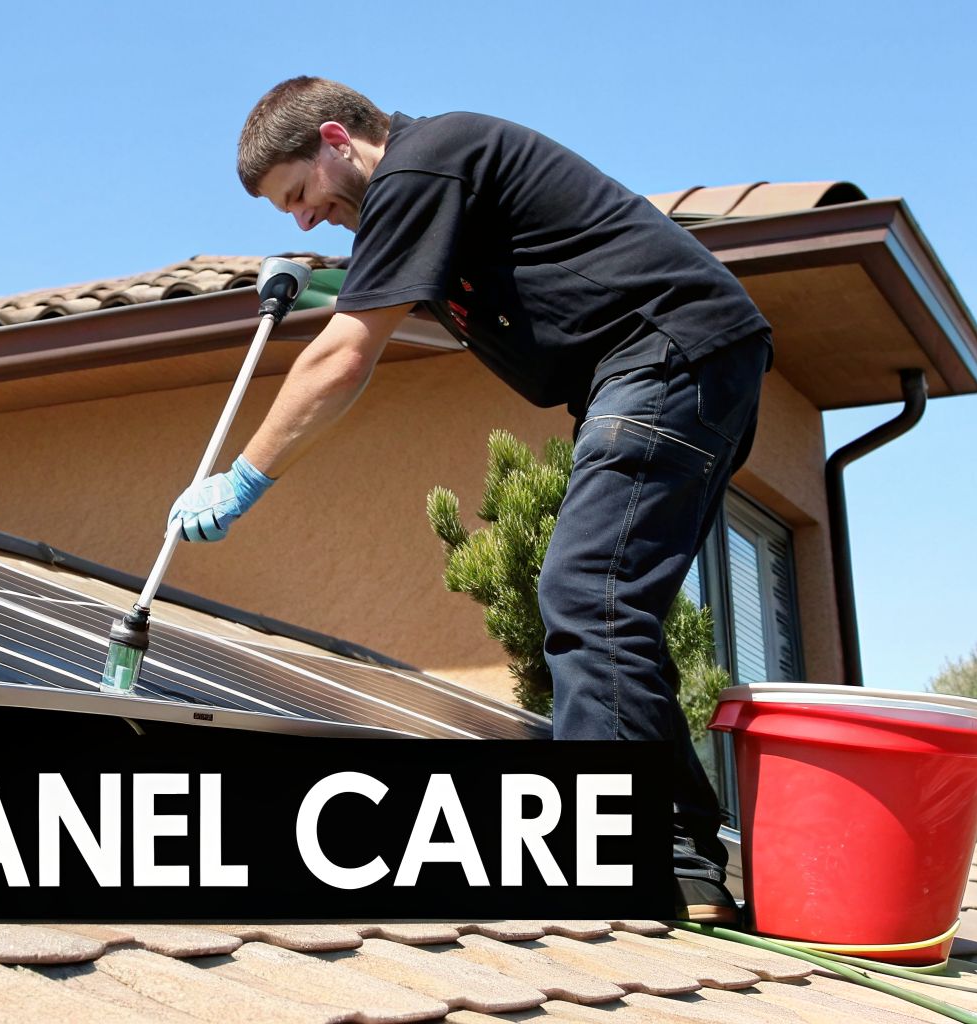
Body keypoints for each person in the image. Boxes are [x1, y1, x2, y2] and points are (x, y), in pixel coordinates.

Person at [168, 77, 769, 922]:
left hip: (669, 353)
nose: (303, 219)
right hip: (682, 361)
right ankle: (681, 855)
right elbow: (387, 290)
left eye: (300, 194)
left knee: (587, 590)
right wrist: (331, 283)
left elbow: (346, 357)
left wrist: (245, 476)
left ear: (337, 139)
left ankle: (618, 851)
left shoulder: (425, 164)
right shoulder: (426, 195)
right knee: (611, 603)